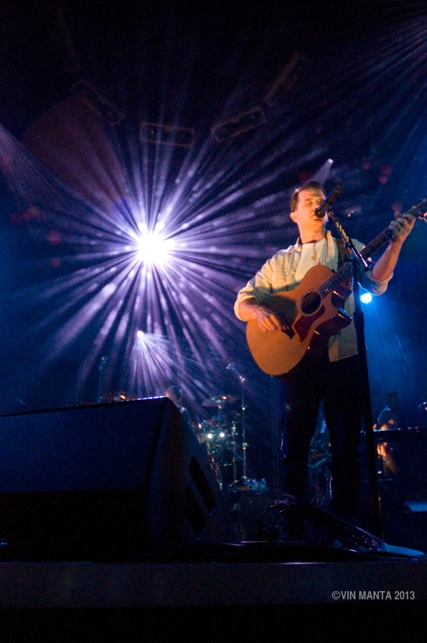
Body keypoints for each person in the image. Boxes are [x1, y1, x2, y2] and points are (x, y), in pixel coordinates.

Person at [234, 180, 415, 529]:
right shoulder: (280, 263)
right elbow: (242, 301)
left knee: (347, 451)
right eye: (309, 200)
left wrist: (396, 244)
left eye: (321, 199)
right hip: (297, 365)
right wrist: (258, 311)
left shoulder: (345, 250)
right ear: (295, 214)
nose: (318, 203)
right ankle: (294, 532)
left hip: (342, 359)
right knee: (294, 454)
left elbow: (376, 283)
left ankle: (344, 530)